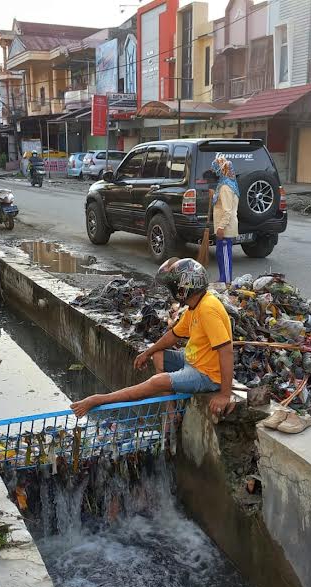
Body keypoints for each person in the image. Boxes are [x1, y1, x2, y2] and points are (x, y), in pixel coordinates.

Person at [71, 258, 235, 418]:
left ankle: (99, 399)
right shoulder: (196, 306)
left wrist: (225, 395)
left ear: (182, 289)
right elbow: (173, 335)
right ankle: (172, 411)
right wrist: (147, 353)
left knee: (156, 382)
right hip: (195, 360)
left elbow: (226, 351)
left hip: (207, 376)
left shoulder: (208, 309)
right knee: (158, 355)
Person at [211, 155, 239, 286]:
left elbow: (227, 210)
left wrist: (221, 227)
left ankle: (227, 281)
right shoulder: (225, 185)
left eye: (217, 169)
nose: (215, 172)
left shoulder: (225, 187)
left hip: (226, 227)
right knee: (220, 254)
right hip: (224, 226)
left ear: (222, 170)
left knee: (225, 255)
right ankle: (223, 278)